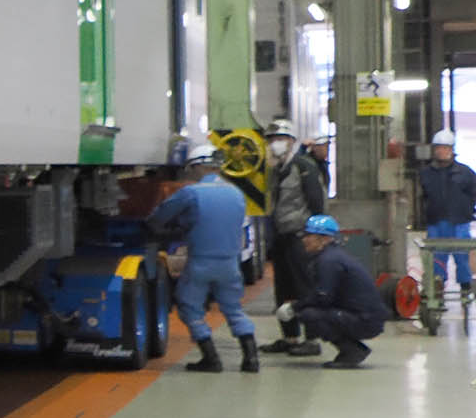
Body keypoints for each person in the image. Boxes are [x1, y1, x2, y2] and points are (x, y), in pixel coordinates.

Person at [147, 144, 259, 374]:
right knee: (233, 309)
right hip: (230, 263)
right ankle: (251, 358)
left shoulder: (192, 193)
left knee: (189, 307)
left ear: (198, 167)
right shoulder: (237, 193)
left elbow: (159, 217)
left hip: (201, 263)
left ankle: (211, 358)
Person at [277, 214, 388, 369]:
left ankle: (352, 351)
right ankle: (352, 349)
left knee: (309, 315)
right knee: (310, 310)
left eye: (309, 236)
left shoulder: (328, 261)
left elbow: (323, 296)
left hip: (365, 320)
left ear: (324, 239)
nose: (304, 240)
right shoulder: (332, 255)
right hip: (365, 316)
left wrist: (294, 307)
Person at [262, 119, 330, 358]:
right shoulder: (276, 170)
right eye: (271, 140)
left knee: (305, 287)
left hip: (301, 237)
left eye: (280, 139)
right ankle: (289, 337)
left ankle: (312, 339)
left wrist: (315, 237)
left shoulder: (304, 167)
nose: (275, 144)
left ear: (292, 142)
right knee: (283, 287)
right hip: (281, 236)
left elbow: (317, 203)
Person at [417, 130, 476, 307]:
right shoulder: (426, 173)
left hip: (459, 223)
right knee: (437, 258)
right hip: (436, 222)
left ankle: (466, 287)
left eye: (445, 148)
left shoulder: (465, 173)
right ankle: (437, 289)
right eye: (439, 148)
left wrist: (467, 211)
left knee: (462, 257)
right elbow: (423, 196)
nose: (441, 151)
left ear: (451, 149)